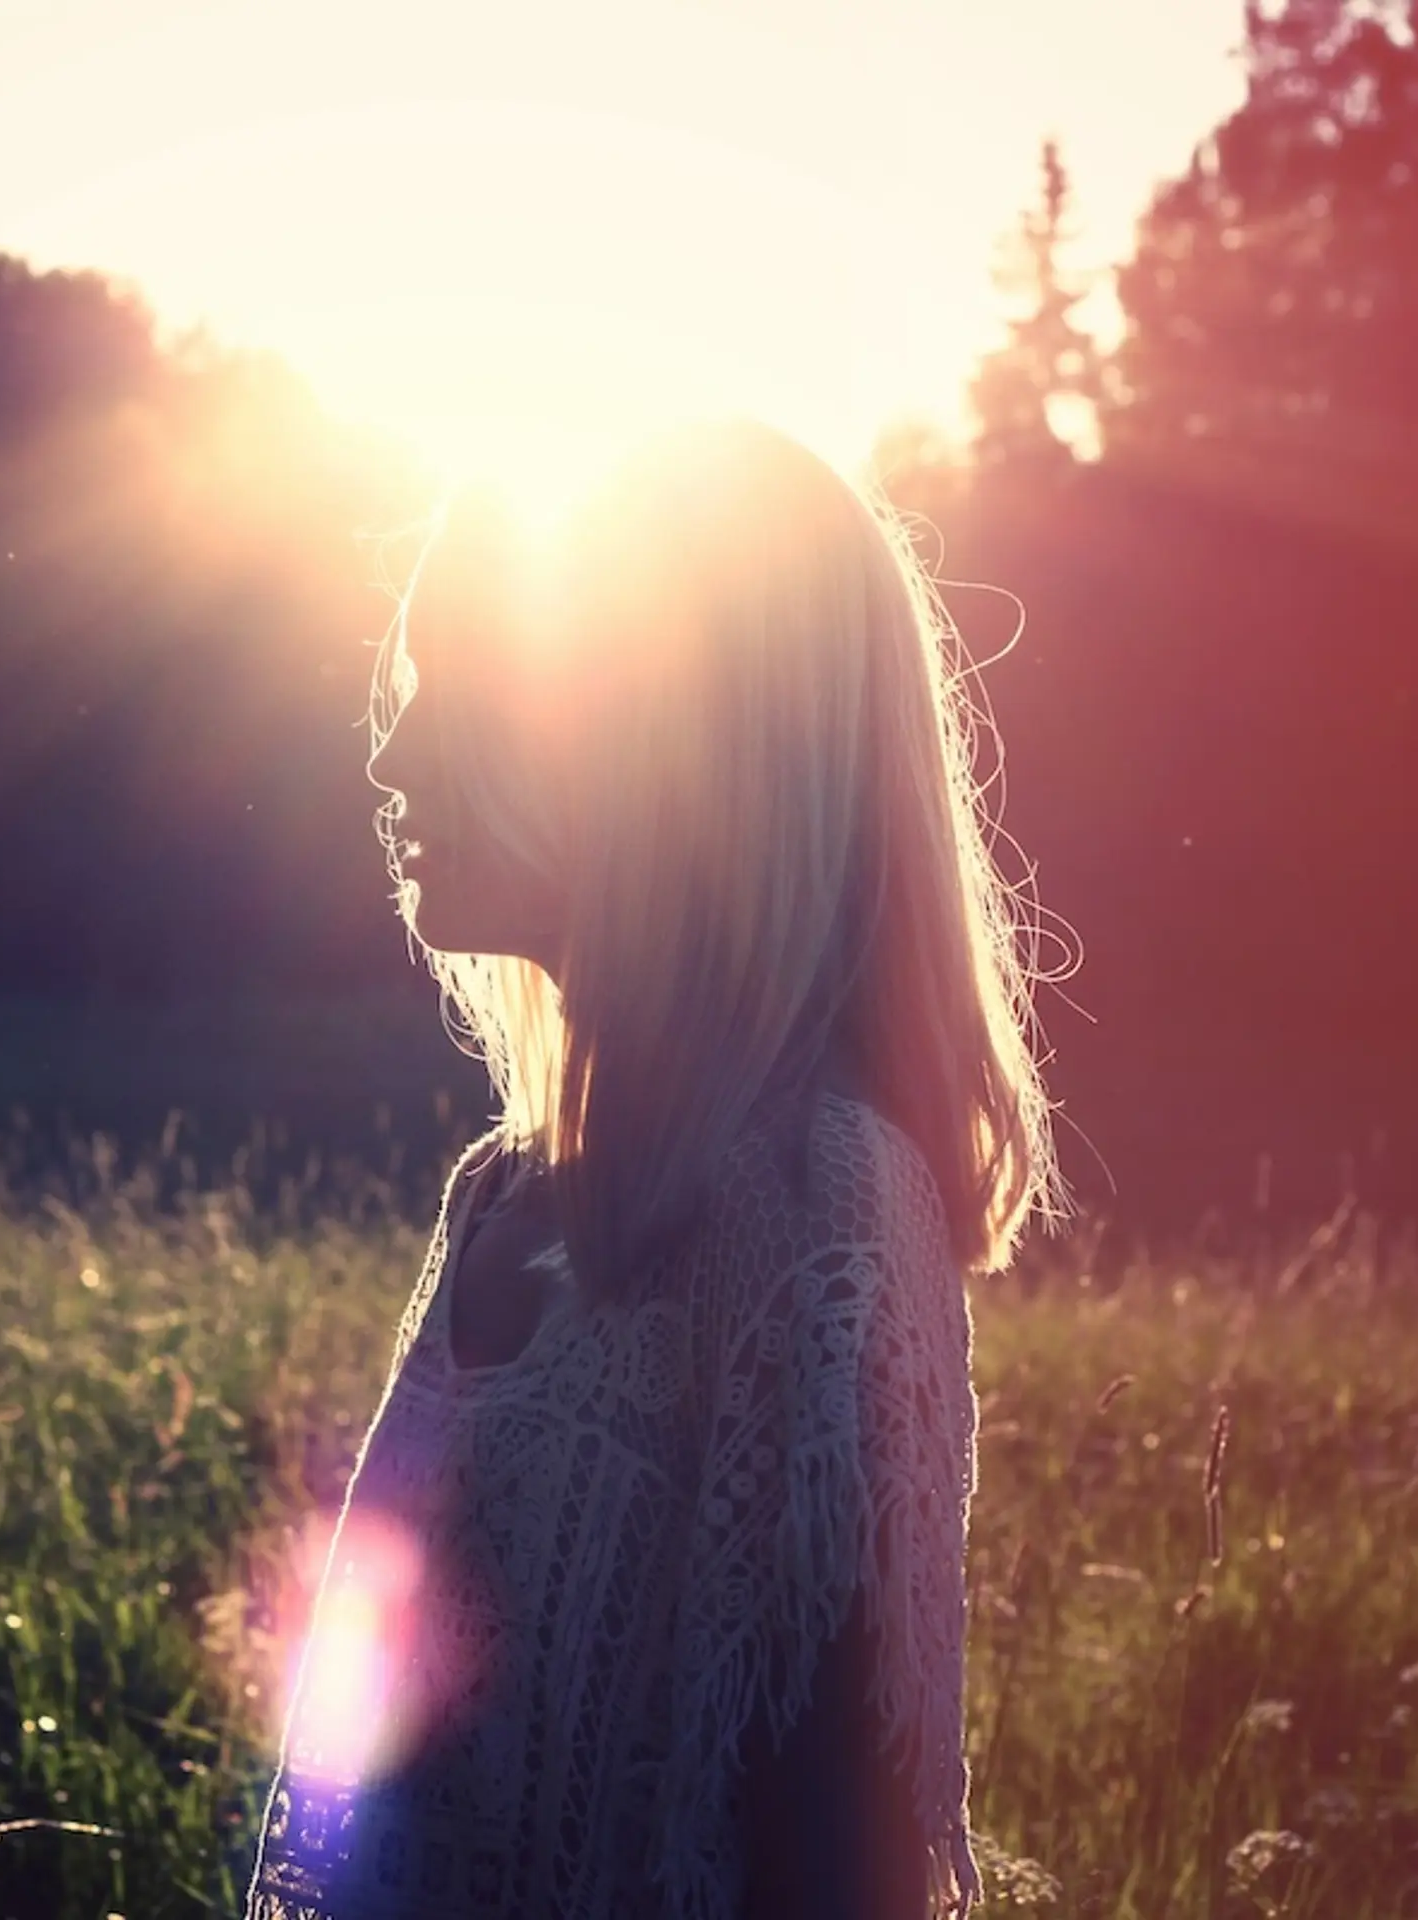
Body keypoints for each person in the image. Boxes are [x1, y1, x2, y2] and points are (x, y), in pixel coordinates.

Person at [244, 418, 1057, 1919]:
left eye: (470, 689)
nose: (395, 747)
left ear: (672, 743)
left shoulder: (820, 1219)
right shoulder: (502, 1193)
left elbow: (840, 1856)